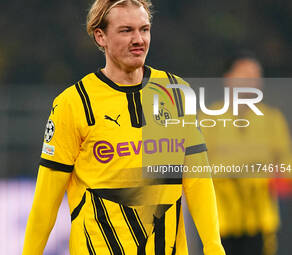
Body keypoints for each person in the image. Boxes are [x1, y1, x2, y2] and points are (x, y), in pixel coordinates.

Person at [23, 1, 225, 254]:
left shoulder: (175, 93)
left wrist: (213, 245)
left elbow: (198, 180)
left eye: (144, 29)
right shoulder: (73, 104)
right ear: (101, 36)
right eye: (126, 30)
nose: (138, 39)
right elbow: (46, 200)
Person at [200, 51, 292, 255]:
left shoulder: (272, 120)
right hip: (218, 224)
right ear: (228, 79)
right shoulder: (208, 120)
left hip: (260, 223)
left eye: (256, 76)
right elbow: (197, 169)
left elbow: (286, 172)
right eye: (245, 75)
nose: (251, 81)